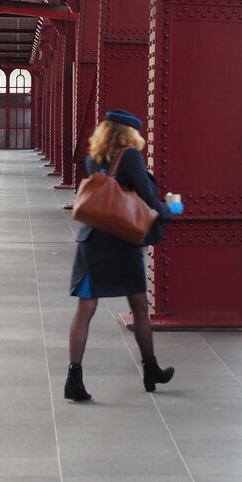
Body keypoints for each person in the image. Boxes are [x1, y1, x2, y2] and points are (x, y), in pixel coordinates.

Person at [65, 108, 183, 403]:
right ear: (128, 134)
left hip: (92, 242)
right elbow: (148, 200)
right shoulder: (129, 156)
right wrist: (172, 209)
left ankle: (74, 379)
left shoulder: (94, 158)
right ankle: (150, 369)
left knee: (85, 309)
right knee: (139, 307)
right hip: (121, 243)